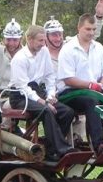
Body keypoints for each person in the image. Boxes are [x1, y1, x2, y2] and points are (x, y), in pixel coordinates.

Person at [57, 13, 103, 155]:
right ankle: (100, 144)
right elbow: (68, 79)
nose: (91, 33)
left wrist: (102, 84)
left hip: (94, 91)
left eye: (93, 29)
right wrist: (90, 85)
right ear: (79, 28)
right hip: (70, 93)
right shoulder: (68, 49)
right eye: (88, 29)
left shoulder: (98, 47)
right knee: (92, 101)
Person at [9, 25, 76, 161]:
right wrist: (43, 102)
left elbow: (50, 76)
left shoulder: (44, 51)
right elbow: (23, 87)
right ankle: (61, 148)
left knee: (67, 112)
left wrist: (51, 95)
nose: (43, 44)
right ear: (29, 39)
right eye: (40, 40)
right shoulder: (19, 59)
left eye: (44, 40)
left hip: (37, 91)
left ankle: (51, 149)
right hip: (19, 96)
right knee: (46, 110)